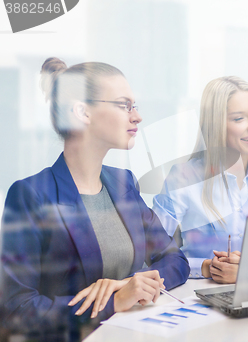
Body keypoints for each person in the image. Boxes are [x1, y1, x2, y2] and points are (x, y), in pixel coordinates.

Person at [0, 58, 190, 340]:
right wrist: (113, 302)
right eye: (124, 105)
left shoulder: (124, 183)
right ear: (83, 112)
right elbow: (16, 310)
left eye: (134, 106)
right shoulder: (31, 195)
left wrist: (128, 285)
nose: (136, 116)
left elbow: (175, 259)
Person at [153, 76, 248, 283]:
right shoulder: (184, 178)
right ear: (215, 125)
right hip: (200, 294)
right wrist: (206, 267)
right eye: (239, 119)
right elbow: (151, 251)